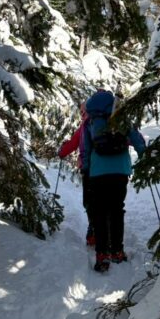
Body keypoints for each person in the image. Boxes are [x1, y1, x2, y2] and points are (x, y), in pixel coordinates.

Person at [81, 89, 145, 273]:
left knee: (100, 212)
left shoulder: (91, 120)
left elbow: (86, 148)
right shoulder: (120, 115)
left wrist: (87, 169)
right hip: (120, 170)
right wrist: (145, 155)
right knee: (117, 209)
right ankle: (117, 251)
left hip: (98, 172)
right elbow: (136, 138)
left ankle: (102, 254)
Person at [58, 102, 95, 245]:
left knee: (90, 201)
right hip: (113, 171)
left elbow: (73, 143)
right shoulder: (110, 122)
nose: (81, 114)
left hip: (89, 169)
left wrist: (62, 152)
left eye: (82, 112)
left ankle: (94, 231)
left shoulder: (85, 127)